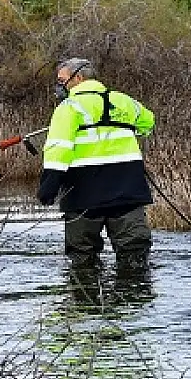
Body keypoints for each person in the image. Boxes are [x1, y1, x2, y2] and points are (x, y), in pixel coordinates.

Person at [37, 58, 156, 269]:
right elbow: (148, 123)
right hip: (127, 191)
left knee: (82, 260)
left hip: (83, 195)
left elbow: (58, 149)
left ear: (78, 78)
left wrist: (48, 188)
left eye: (61, 80)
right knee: (135, 259)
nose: (59, 86)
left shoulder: (68, 108)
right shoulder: (124, 101)